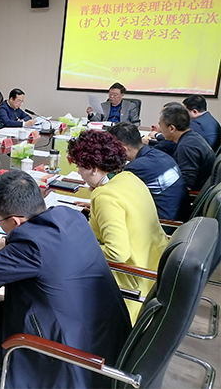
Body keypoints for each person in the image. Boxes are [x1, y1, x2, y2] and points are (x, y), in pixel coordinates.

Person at [0, 170, 131, 389]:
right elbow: (46, 246)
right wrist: (4, 243)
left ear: (15, 221)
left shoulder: (30, 248)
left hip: (75, 360)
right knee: (0, 310)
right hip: (107, 338)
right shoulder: (70, 216)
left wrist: (8, 248)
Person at [67, 130, 168, 323]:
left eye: (79, 166)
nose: (79, 172)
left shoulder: (105, 197)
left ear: (93, 168)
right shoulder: (129, 177)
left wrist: (76, 246)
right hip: (154, 268)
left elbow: (117, 253)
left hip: (131, 281)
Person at [110, 122, 188, 221]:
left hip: (164, 223)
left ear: (123, 149)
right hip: (179, 215)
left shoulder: (135, 168)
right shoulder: (159, 154)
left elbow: (114, 196)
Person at [158, 103, 215, 192]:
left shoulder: (186, 147)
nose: (160, 129)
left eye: (160, 125)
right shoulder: (193, 136)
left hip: (193, 194)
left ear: (172, 128)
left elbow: (186, 186)